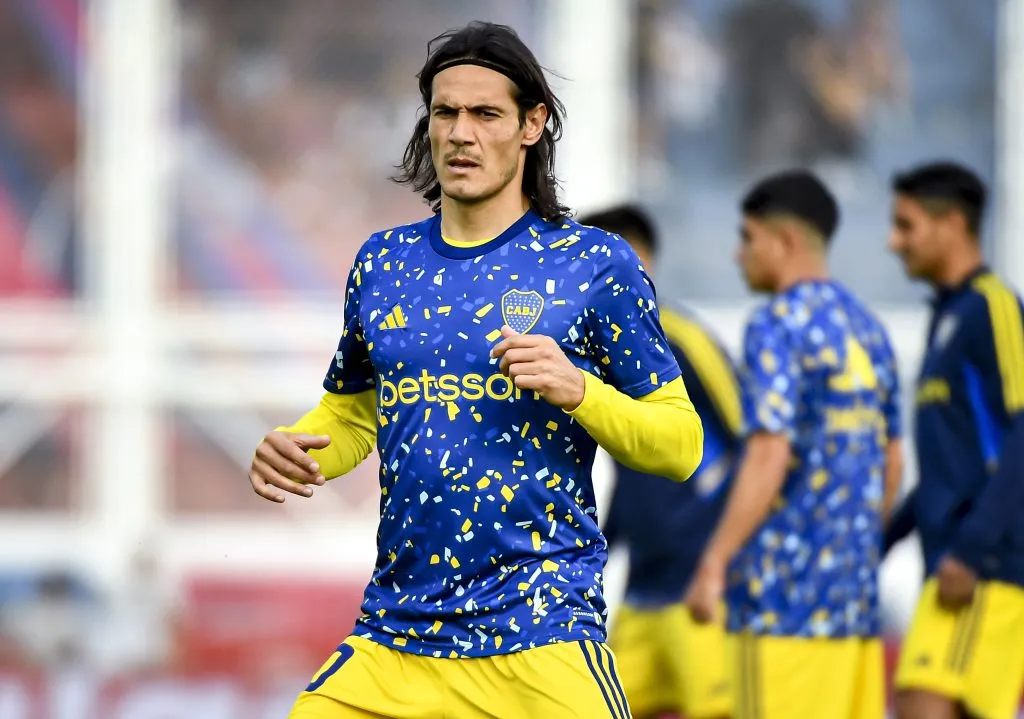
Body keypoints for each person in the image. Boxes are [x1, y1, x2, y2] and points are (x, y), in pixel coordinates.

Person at [248, 22, 704, 719]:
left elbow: (680, 446)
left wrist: (579, 389)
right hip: (398, 636)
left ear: (532, 124)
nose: (461, 132)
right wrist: (298, 448)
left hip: (540, 631)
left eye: (485, 114)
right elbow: (350, 414)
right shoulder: (383, 263)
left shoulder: (595, 266)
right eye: (446, 112)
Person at [685, 170, 903, 719]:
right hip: (852, 610)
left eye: (747, 238)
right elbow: (892, 458)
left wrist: (714, 560)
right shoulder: (868, 328)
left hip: (779, 606)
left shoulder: (777, 324)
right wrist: (850, 551)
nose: (739, 256)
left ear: (783, 242)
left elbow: (769, 452)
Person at [579, 203, 741, 719]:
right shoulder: (605, 353)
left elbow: (755, 444)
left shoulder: (685, 341)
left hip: (701, 581)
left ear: (636, 259)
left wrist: (726, 558)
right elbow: (636, 468)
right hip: (644, 584)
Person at [885, 161, 1024, 719]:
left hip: (984, 569)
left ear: (952, 225)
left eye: (906, 225)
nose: (894, 243)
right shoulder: (947, 319)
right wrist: (881, 541)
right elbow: (951, 469)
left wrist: (973, 550)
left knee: (919, 702)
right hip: (953, 567)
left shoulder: (992, 305)